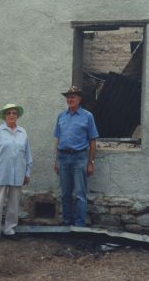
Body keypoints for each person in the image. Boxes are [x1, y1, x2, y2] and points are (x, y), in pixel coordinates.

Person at [0, 103, 32, 244]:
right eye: (9, 113)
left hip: (18, 173)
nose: (12, 115)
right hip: (0, 173)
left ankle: (9, 229)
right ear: (5, 116)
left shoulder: (23, 133)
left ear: (17, 116)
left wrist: (27, 172)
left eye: (14, 113)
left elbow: (28, 155)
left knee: (13, 204)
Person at [53, 86, 99, 227]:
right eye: (68, 97)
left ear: (79, 99)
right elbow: (58, 139)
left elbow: (92, 140)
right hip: (63, 158)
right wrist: (56, 161)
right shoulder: (61, 116)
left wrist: (90, 162)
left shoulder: (87, 116)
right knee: (65, 193)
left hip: (80, 158)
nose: (70, 99)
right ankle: (67, 222)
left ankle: (79, 225)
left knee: (80, 194)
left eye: (73, 97)